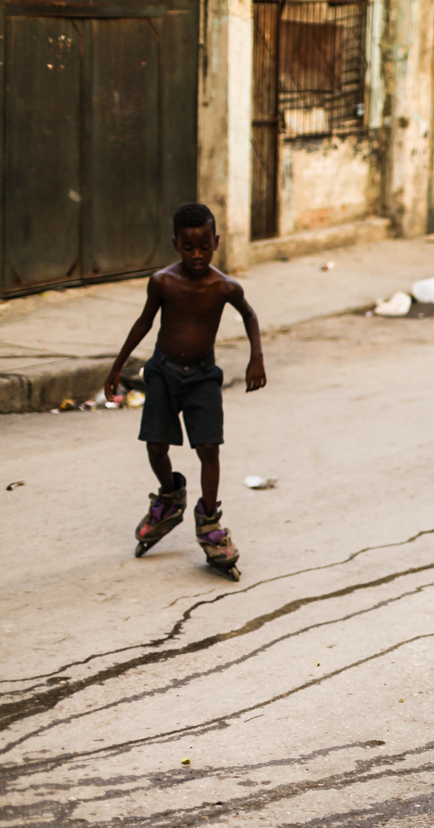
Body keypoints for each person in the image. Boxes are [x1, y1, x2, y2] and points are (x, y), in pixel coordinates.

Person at [105, 202, 266, 580]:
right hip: (162, 372)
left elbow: (250, 315)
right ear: (176, 243)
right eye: (189, 247)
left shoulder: (225, 286)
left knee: (208, 448)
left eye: (205, 247)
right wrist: (116, 365)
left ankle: (209, 522)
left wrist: (256, 356)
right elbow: (144, 322)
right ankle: (170, 496)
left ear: (217, 243)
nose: (197, 255)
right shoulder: (162, 281)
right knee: (156, 446)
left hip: (202, 376)